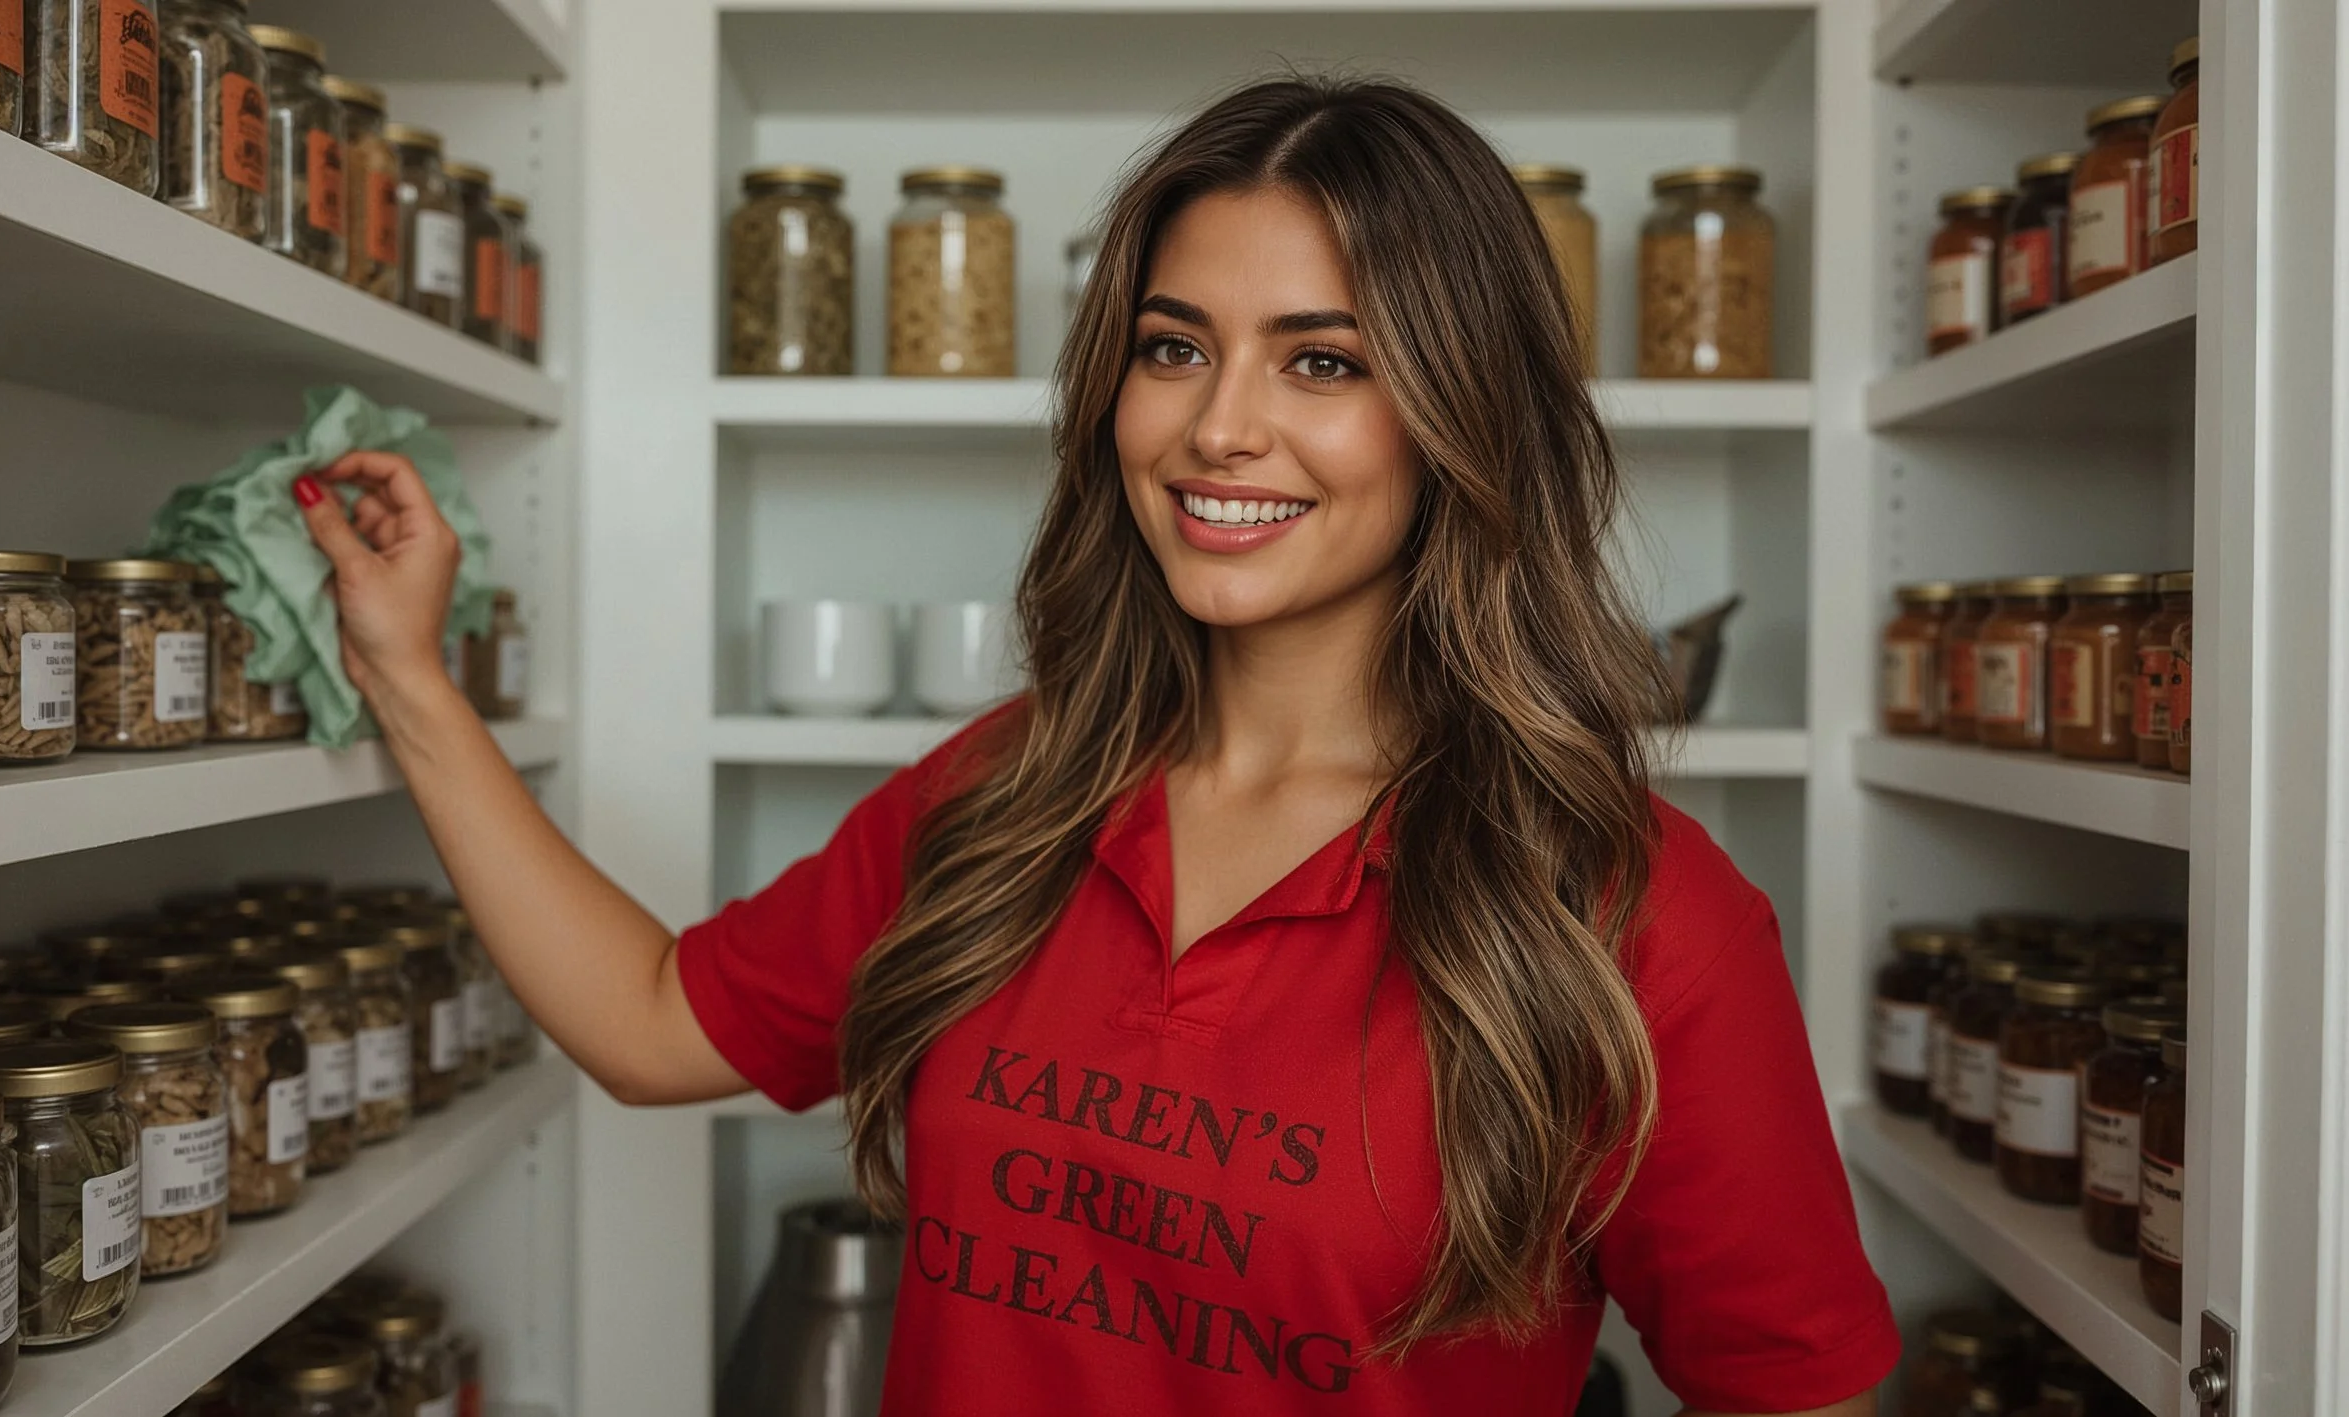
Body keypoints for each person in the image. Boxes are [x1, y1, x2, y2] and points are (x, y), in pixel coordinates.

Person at [295, 76, 1896, 1417]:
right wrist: (411, 678)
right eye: (1174, 345)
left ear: (1466, 413)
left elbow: (1797, 1392)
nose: (1218, 428)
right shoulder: (1013, 789)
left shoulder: (1635, 915)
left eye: (1323, 362)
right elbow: (654, 1027)